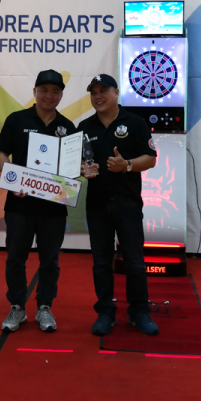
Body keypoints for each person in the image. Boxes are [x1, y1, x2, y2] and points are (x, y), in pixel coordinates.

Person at [0, 69, 76, 333]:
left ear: (61, 95)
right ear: (34, 92)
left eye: (55, 91)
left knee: (50, 260)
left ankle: (44, 306)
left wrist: (79, 173)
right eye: (44, 90)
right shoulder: (16, 120)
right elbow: (1, 151)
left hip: (54, 208)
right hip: (19, 206)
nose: (49, 96)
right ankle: (17, 307)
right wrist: (11, 179)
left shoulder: (68, 127)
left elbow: (72, 168)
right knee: (15, 258)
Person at [78, 74, 159, 336]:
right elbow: (76, 164)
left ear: (116, 92)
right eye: (93, 92)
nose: (98, 96)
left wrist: (127, 165)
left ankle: (139, 311)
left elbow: (151, 159)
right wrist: (82, 170)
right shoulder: (84, 127)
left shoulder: (134, 122)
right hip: (97, 205)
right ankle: (105, 312)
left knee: (134, 261)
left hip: (128, 204)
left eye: (103, 91)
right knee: (101, 263)